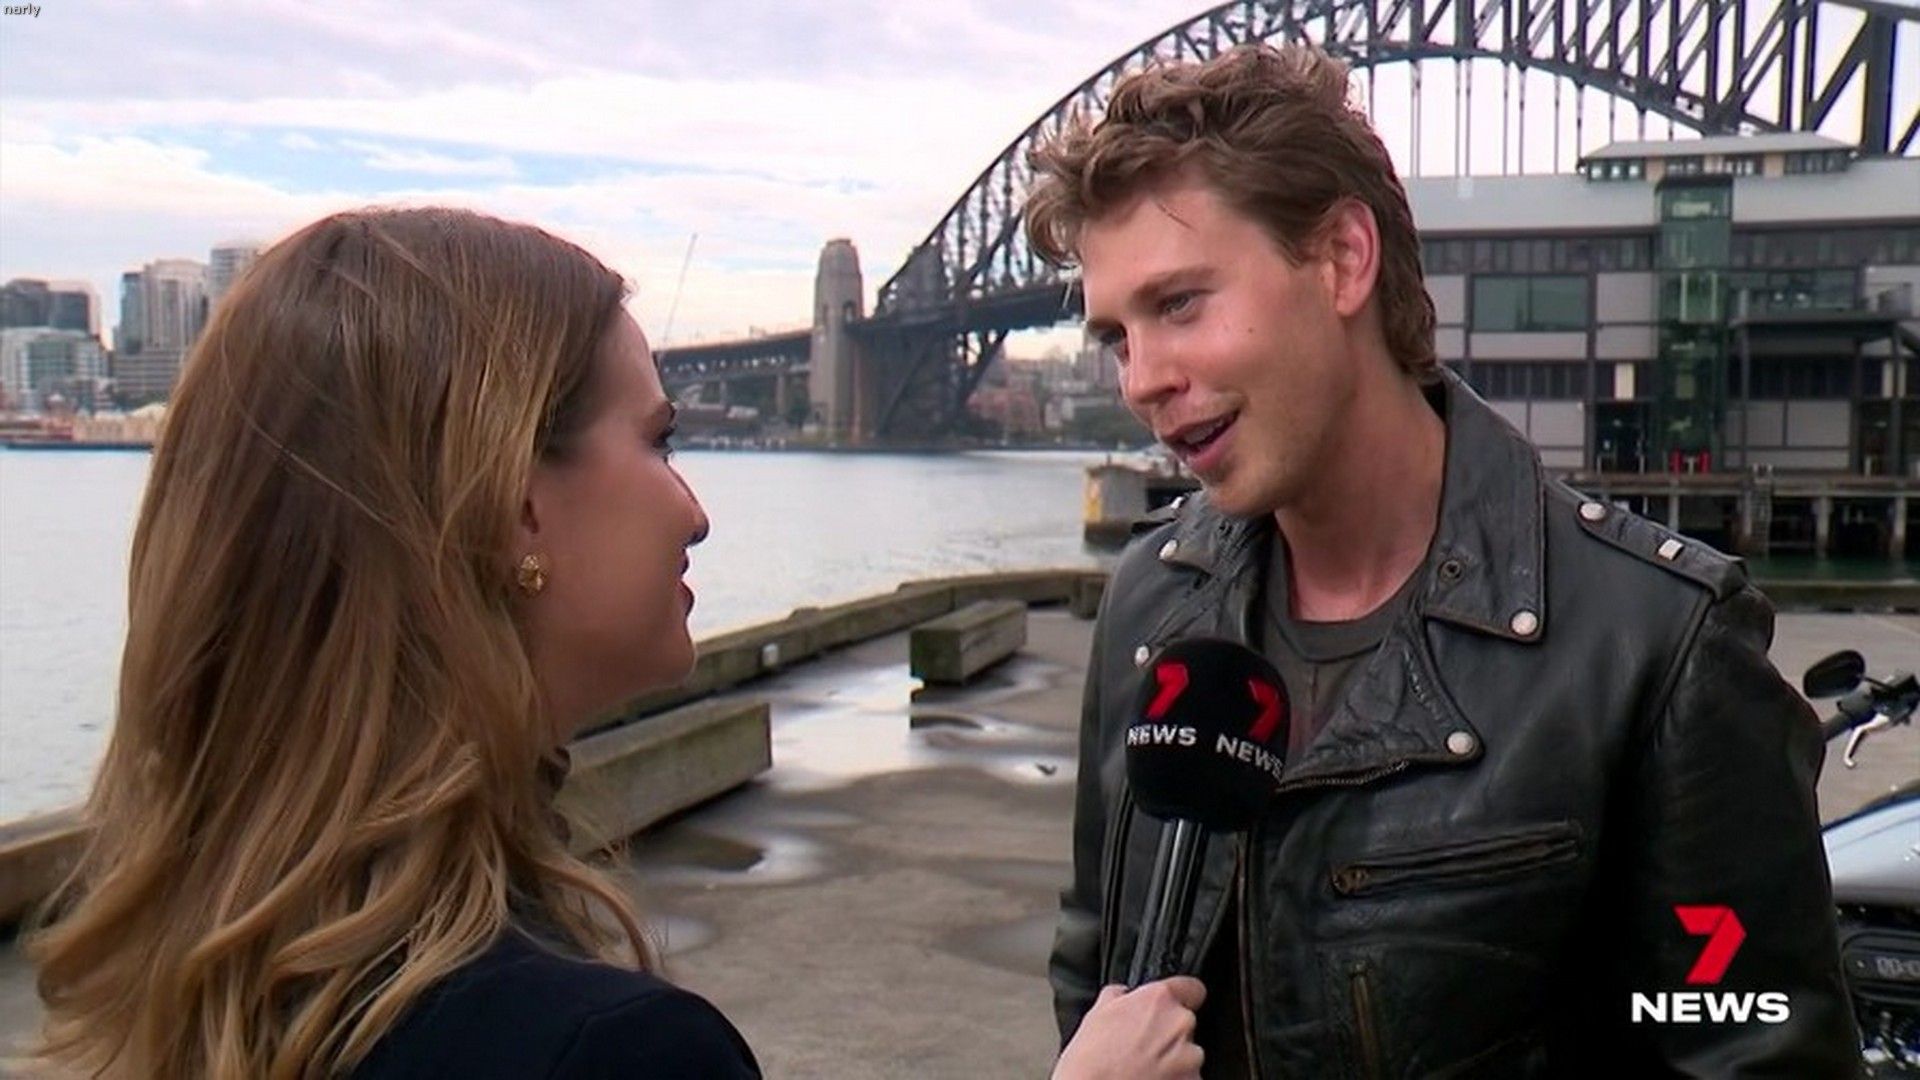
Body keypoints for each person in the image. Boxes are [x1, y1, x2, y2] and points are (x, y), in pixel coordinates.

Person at [27, 207, 1206, 1079]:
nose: (694, 510)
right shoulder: (606, 1053)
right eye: (657, 440)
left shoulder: (192, 980)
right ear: (515, 507)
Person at [1027, 44, 1859, 1077]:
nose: (1142, 380)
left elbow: (1748, 1049)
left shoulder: (1657, 647)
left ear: (1342, 259)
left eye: (1180, 304)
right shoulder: (1152, 605)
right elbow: (1094, 974)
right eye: (1118, 336)